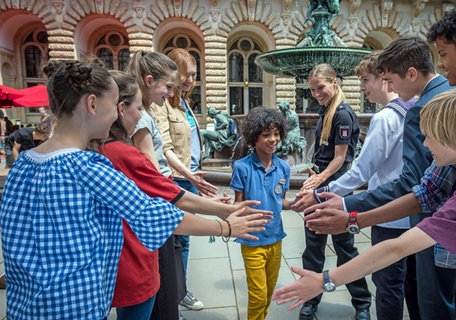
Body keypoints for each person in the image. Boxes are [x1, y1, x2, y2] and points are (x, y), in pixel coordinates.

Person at [0, 59, 267, 320]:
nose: (118, 115)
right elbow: (156, 215)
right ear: (92, 104)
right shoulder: (88, 166)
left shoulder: (23, 163)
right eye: (112, 106)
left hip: (26, 305)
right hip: (74, 306)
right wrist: (227, 227)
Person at [273, 87, 456, 320]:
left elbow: (397, 247)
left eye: (429, 137)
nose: (425, 145)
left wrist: (326, 279)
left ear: (454, 138)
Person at [296, 37, 456, 320]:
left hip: (392, 214)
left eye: (368, 80)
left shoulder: (388, 116)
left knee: (389, 287)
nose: (363, 88)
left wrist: (331, 198)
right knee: (415, 287)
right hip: (412, 214)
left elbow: (363, 170)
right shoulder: (412, 106)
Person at [99, 70, 270, 320]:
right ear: (121, 108)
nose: (141, 117)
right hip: (134, 265)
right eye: (138, 109)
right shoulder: (123, 153)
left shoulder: (96, 150)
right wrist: (226, 221)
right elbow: (167, 207)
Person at [297, 63, 371, 320]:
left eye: (321, 88)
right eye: (313, 89)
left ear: (335, 83)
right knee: (313, 248)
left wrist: (320, 179)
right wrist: (315, 174)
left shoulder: (342, 114)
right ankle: (310, 299)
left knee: (345, 247)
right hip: (321, 184)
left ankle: (362, 303)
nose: (317, 93)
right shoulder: (325, 110)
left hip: (336, 189)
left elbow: (340, 159)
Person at [127, 50, 190, 320]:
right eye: (167, 87)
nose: (168, 94)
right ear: (150, 80)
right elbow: (152, 175)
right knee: (163, 289)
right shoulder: (141, 117)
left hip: (160, 199)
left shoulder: (143, 113)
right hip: (157, 205)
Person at [155, 48, 217, 312]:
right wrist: (191, 175)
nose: (191, 79)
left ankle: (180, 290)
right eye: (186, 74)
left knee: (185, 239)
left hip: (189, 177)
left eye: (194, 74)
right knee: (174, 241)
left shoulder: (184, 101)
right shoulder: (162, 104)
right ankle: (172, 296)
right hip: (176, 180)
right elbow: (165, 148)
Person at [230, 107, 296, 320]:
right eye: (266, 135)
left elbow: (280, 201)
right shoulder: (241, 167)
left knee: (268, 292)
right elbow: (238, 204)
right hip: (252, 240)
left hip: (276, 239)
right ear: (253, 137)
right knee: (257, 295)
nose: (273, 139)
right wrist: (227, 212)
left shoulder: (283, 168)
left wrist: (298, 203)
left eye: (276, 134)